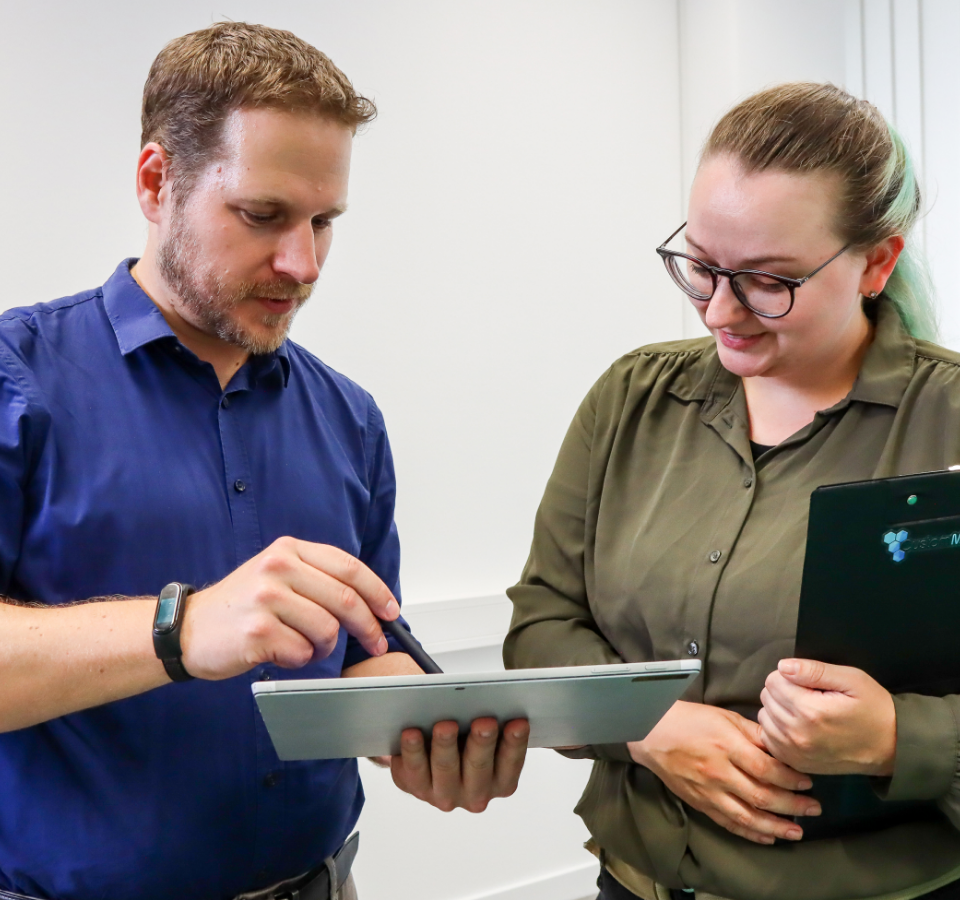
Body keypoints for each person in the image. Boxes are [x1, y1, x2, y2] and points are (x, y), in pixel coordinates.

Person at [0, 22, 528, 900]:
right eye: (263, 216)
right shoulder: (17, 377)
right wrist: (182, 628)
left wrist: (431, 735)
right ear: (155, 181)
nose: (304, 263)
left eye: (325, 222)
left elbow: (370, 652)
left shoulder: (348, 415)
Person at [503, 82, 960, 900]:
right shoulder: (632, 399)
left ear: (877, 262)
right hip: (633, 880)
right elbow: (541, 629)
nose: (719, 310)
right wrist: (647, 725)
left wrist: (898, 737)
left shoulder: (947, 421)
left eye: (766, 281)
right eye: (701, 266)